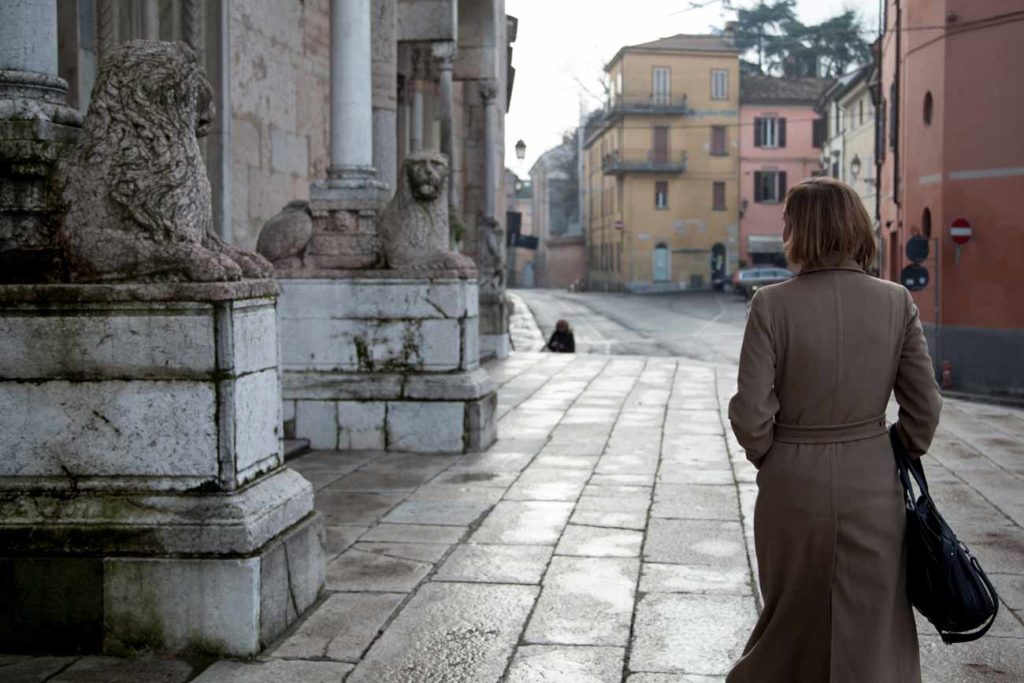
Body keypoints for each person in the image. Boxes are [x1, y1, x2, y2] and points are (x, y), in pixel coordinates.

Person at [726, 177, 942, 682]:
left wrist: (775, 458)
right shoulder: (896, 302)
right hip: (872, 479)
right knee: (872, 622)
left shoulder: (771, 304)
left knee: (790, 617)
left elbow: (749, 413)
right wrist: (892, 451)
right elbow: (924, 409)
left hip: (791, 484)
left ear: (798, 232)